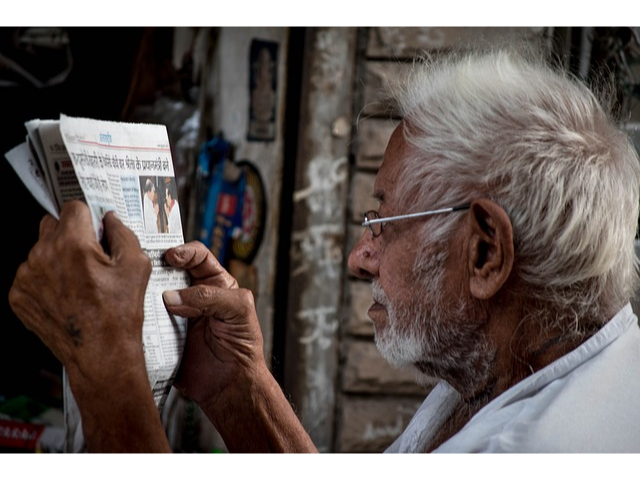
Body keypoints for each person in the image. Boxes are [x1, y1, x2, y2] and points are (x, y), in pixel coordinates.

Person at [8, 44, 640, 453]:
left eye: (384, 222)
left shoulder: (540, 451)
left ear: (484, 255)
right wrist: (241, 389)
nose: (359, 257)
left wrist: (107, 365)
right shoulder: (516, 362)